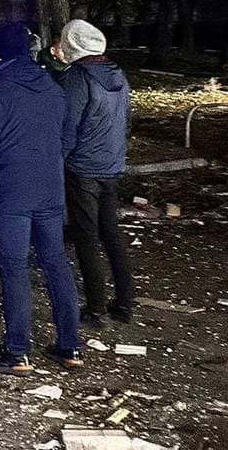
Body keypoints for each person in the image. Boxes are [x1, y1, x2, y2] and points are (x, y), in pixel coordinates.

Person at [0, 23, 83, 375]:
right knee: (56, 265)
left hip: (10, 191)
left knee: (14, 269)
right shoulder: (52, 85)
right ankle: (70, 346)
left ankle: (17, 351)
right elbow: (67, 136)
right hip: (49, 189)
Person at [54, 18, 134, 325]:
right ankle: (124, 303)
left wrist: (59, 160)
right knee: (111, 233)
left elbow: (69, 125)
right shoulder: (118, 74)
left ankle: (96, 307)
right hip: (111, 164)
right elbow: (126, 120)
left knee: (86, 238)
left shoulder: (78, 77)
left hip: (83, 166)